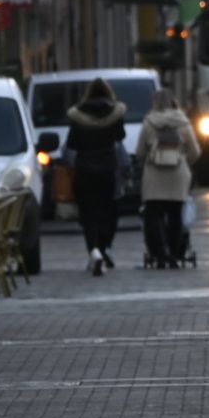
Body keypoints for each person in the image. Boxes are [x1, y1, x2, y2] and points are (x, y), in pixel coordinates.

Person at [65, 77, 127, 276]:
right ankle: (105, 246)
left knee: (88, 213)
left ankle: (94, 250)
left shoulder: (78, 115)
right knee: (108, 210)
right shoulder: (114, 113)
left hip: (84, 169)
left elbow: (72, 143)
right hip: (107, 167)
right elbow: (120, 136)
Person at [136, 89, 200, 268]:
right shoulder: (184, 123)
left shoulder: (149, 123)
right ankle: (175, 253)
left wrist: (148, 159)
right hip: (178, 174)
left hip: (154, 174)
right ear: (174, 102)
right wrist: (184, 160)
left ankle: (159, 253)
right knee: (176, 214)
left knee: (153, 214)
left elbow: (140, 152)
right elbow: (195, 152)